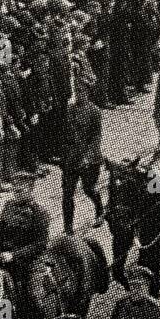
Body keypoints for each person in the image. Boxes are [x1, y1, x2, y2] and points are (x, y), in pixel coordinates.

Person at [0, 168, 52, 319]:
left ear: (31, 189)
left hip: (30, 262)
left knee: (32, 295)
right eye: (15, 190)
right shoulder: (8, 207)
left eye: (21, 190)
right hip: (4, 260)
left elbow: (40, 244)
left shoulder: (40, 213)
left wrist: (14, 255)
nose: (17, 193)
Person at [61, 84, 104, 235]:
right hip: (71, 158)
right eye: (77, 91)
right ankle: (68, 228)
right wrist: (63, 155)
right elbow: (64, 134)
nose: (80, 94)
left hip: (89, 159)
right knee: (67, 194)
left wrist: (88, 156)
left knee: (89, 189)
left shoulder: (95, 111)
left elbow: (96, 137)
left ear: (88, 93)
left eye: (83, 92)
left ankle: (100, 209)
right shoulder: (70, 109)